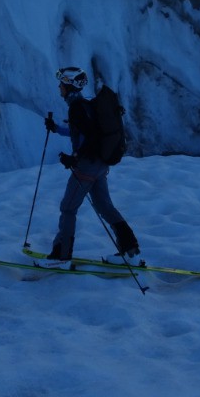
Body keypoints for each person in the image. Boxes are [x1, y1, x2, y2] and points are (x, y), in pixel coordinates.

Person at [44, 66, 141, 265]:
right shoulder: (86, 105)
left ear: (69, 86)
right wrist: (56, 129)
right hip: (100, 166)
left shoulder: (77, 108)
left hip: (86, 167)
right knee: (105, 207)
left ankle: (61, 255)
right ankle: (130, 250)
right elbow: (79, 132)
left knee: (68, 208)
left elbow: (89, 138)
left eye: (61, 84)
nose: (59, 88)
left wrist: (75, 157)